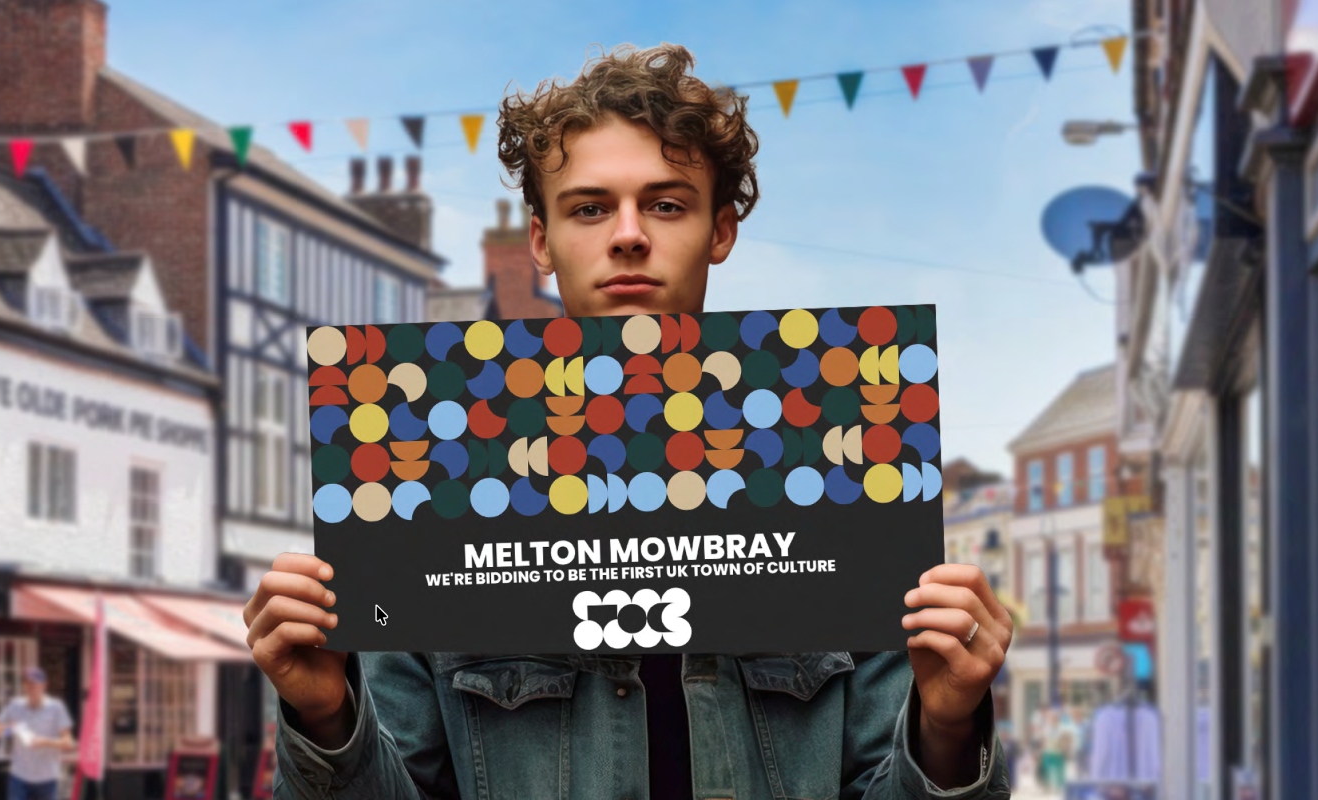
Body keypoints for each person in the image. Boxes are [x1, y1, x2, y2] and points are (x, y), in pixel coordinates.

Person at [247, 42, 1014, 799]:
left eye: (665, 203)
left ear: (720, 231)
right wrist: (324, 715)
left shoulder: (849, 461)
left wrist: (947, 727)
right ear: (541, 242)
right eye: (588, 208)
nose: (627, 234)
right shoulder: (417, 458)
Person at [0, 667, 75, 800]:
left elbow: (69, 743)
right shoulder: (15, 705)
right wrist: (10, 728)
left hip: (47, 779)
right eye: (27, 683)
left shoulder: (56, 707)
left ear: (44, 685)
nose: (30, 687)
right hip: (19, 777)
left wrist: (45, 742)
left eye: (34, 683)